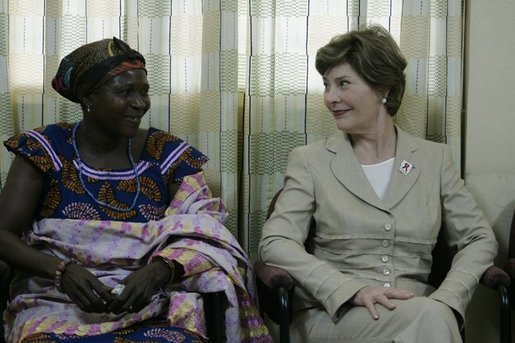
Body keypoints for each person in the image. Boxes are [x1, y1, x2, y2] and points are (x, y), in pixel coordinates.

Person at [0, 37, 271, 343]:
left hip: (151, 304)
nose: (140, 103)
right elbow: (3, 234)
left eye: (144, 92)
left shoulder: (166, 153)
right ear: (88, 97)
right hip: (56, 301)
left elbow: (205, 228)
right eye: (125, 92)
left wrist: (158, 272)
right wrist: (63, 270)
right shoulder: (45, 149)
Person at [258, 25, 498, 343]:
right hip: (335, 316)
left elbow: (479, 239)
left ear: (382, 87)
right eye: (327, 85)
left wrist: (448, 301)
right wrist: (349, 290)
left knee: (431, 318)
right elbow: (276, 243)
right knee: (432, 321)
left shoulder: (434, 160)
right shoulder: (309, 160)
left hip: (422, 312)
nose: (330, 98)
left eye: (343, 84)